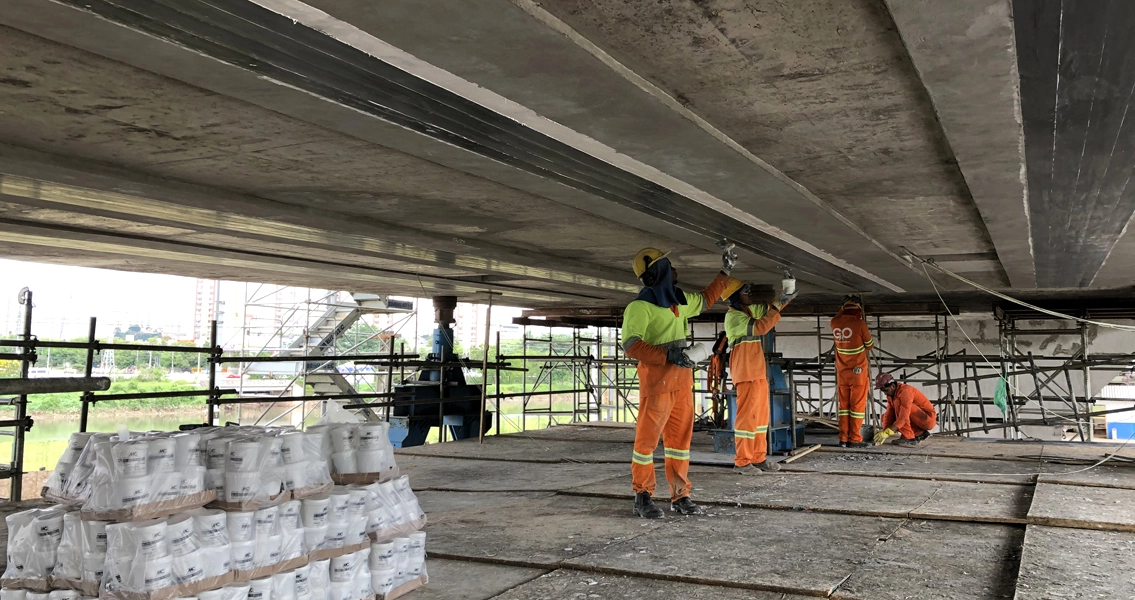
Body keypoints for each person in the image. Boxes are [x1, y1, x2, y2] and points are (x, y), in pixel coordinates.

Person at [623, 246, 738, 518]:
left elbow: (707, 299)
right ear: (659, 271)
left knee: (679, 443)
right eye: (669, 264)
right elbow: (631, 345)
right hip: (658, 385)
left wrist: (726, 272)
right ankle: (643, 495)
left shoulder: (678, 301)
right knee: (647, 444)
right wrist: (669, 355)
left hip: (681, 383)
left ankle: (680, 496)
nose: (675, 269)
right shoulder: (639, 307)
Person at [723, 282, 797, 474]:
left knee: (761, 418)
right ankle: (742, 461)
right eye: (745, 291)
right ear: (735, 296)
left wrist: (785, 294)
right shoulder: (734, 317)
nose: (750, 294)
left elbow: (770, 308)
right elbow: (761, 326)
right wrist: (777, 307)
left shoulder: (748, 310)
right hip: (746, 373)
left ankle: (758, 457)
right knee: (747, 419)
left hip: (756, 372)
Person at [830, 295, 873, 447]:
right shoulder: (860, 324)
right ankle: (855, 439)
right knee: (857, 408)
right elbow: (870, 345)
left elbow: (838, 316)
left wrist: (845, 305)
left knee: (844, 408)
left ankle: (843, 439)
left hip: (842, 373)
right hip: (858, 373)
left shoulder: (834, 323)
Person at [872, 373, 937, 446]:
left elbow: (904, 417)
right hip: (918, 418)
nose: (885, 393)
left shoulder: (905, 391)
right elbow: (889, 413)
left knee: (899, 407)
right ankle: (919, 433)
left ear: (892, 386)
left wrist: (887, 433)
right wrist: (885, 431)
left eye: (886, 390)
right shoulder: (891, 394)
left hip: (928, 420)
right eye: (883, 391)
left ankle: (908, 437)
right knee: (884, 417)